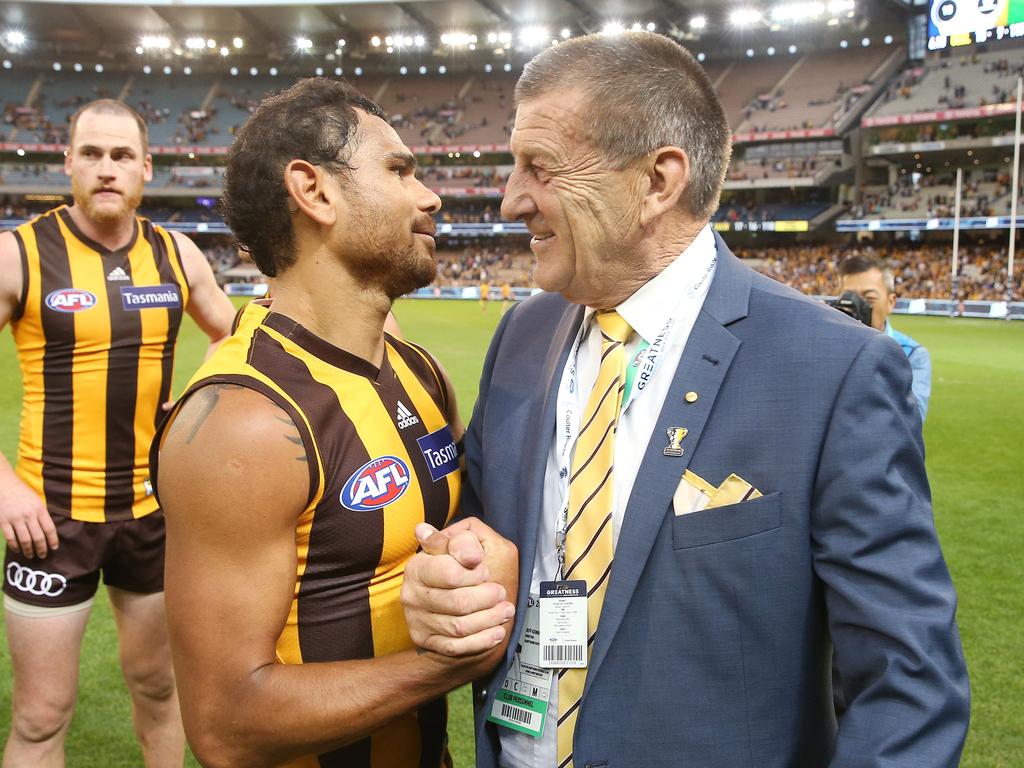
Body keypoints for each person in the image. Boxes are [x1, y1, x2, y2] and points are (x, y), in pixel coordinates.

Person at [401, 32, 969, 768]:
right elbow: (484, 527)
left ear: (657, 182)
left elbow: (909, 681)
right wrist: (450, 570)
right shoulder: (522, 335)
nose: (511, 200)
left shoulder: (833, 369)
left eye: (538, 168)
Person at [151, 77, 517, 768]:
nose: (430, 197)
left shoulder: (421, 372)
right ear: (314, 191)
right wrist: (445, 665)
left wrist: (479, 558)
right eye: (400, 171)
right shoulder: (245, 421)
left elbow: (460, 538)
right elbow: (227, 725)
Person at [0, 99, 235, 766]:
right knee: (42, 717)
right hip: (49, 521)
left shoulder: (176, 254)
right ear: (68, 162)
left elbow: (231, 337)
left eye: (122, 155)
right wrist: (6, 491)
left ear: (146, 168)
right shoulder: (18, 255)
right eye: (93, 154)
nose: (108, 168)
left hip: (152, 515)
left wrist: (191, 400)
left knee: (161, 689)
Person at [839, 254, 932, 421]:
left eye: (869, 298)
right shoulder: (830, 347)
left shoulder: (912, 355)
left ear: (891, 302)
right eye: (850, 298)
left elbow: (910, 421)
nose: (858, 306)